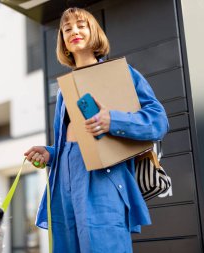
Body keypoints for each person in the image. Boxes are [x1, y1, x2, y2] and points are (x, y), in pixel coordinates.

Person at [24, 7, 169, 253]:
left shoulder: (122, 74)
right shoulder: (64, 90)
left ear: (94, 33)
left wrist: (113, 121)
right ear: (63, 42)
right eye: (67, 29)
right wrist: (50, 154)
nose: (74, 32)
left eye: (81, 25)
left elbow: (159, 122)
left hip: (105, 180)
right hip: (64, 185)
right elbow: (70, 143)